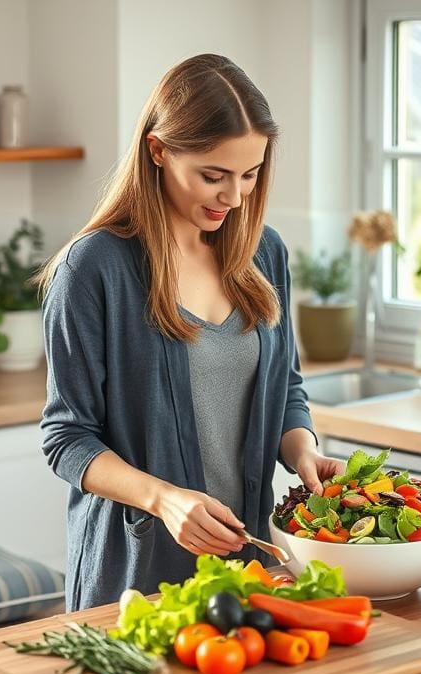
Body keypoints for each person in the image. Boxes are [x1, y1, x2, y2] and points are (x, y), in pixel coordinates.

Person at [35, 54, 342, 610]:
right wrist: (165, 500)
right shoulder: (93, 268)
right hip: (136, 576)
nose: (235, 197)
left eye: (250, 175)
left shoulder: (263, 253)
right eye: (213, 176)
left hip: (251, 567)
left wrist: (302, 451)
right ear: (158, 151)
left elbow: (286, 389)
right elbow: (67, 439)